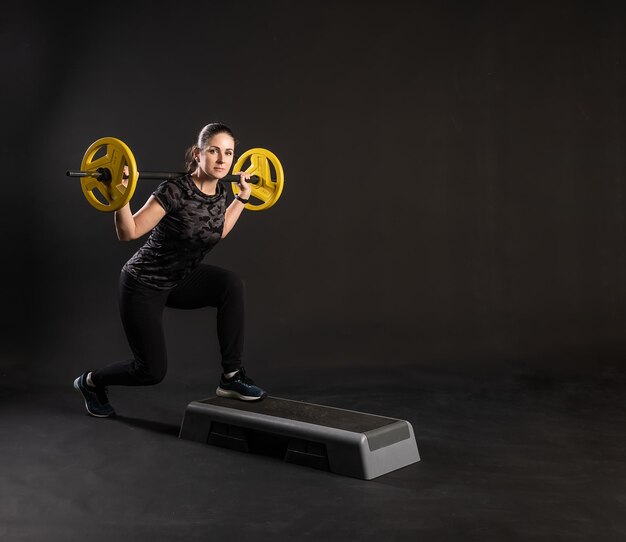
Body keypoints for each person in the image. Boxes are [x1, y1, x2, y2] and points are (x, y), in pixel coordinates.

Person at [74, 122, 267, 418]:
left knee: (230, 284)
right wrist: (120, 194)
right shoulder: (174, 190)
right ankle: (91, 382)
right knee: (151, 371)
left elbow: (217, 230)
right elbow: (129, 232)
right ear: (198, 153)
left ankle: (231, 377)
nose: (221, 159)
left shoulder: (221, 192)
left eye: (228, 153)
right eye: (214, 151)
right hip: (143, 284)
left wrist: (242, 198)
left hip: (180, 279)